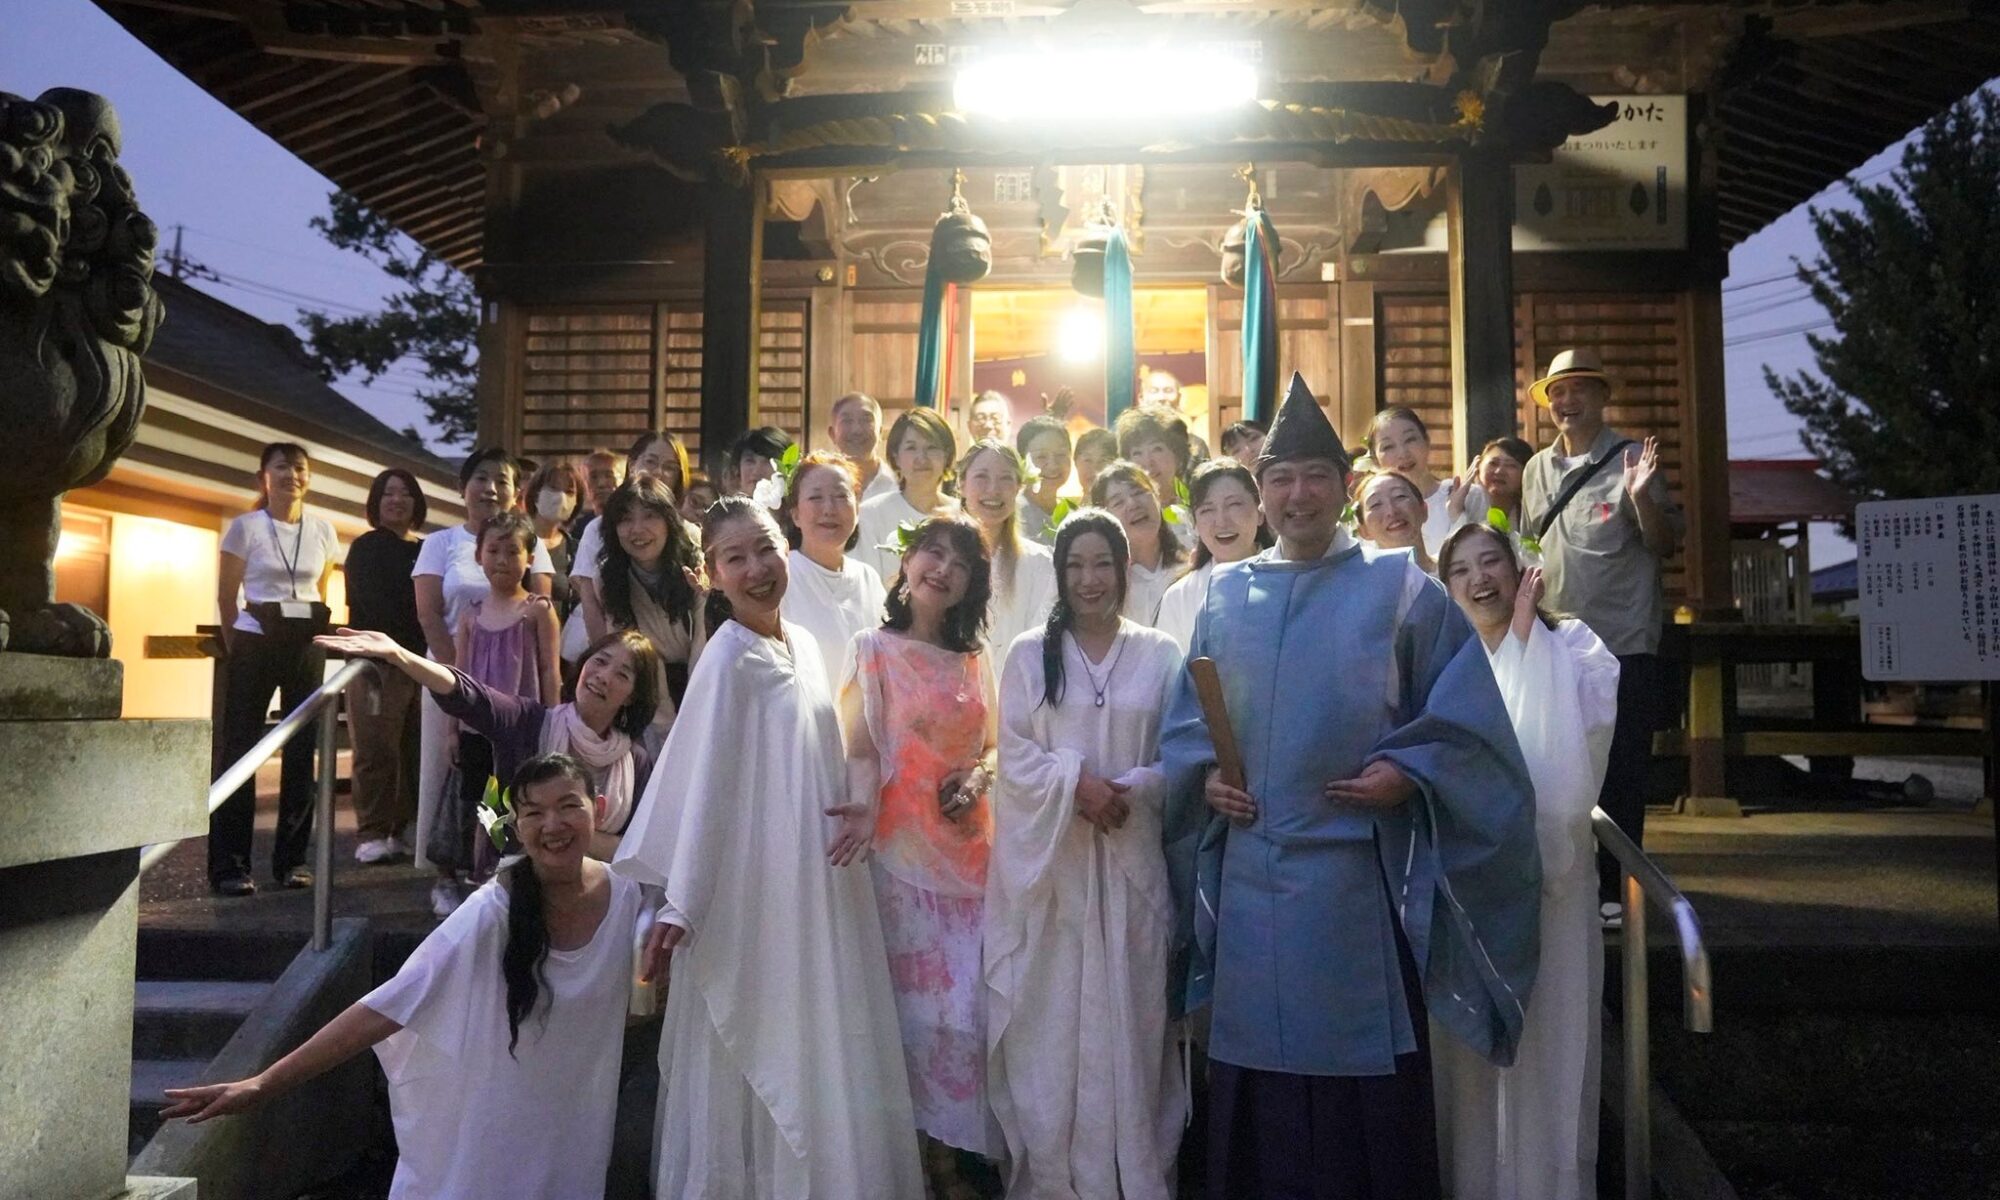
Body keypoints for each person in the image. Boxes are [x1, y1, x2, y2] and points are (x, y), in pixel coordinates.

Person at [1157, 374, 1541, 1200]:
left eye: (1315, 477)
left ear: (1344, 485)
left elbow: (1466, 725)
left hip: (1357, 885)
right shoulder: (1223, 595)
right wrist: (1210, 779)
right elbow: (1188, 723)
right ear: (1261, 492)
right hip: (1251, 877)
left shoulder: (1402, 588)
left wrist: (1408, 770)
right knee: (1255, 1074)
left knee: (1360, 1079)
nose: (1297, 495)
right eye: (1280, 479)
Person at [615, 498, 926, 1200]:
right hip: (759, 893)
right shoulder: (726, 659)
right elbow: (706, 788)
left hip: (822, 883)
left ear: (786, 548)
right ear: (710, 573)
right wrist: (683, 904)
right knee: (768, 1042)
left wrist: (859, 801)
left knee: (822, 1035)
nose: (755, 569)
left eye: (764, 549)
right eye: (735, 558)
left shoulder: (807, 645)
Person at [164, 753, 651, 1200]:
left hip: (574, 1146)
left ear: (598, 809)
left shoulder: (632, 899)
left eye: (568, 806)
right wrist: (264, 1083)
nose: (553, 826)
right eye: (534, 813)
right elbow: (389, 1005)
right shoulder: (492, 912)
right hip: (488, 1151)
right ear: (516, 827)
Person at [985, 509, 1186, 1200]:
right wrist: (1076, 787)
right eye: (1074, 565)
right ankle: (1055, 1178)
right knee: (1050, 1027)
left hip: (1132, 865)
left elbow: (1183, 752)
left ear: (1125, 570)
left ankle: (1135, 1175)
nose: (1088, 579)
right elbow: (1013, 755)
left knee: (1135, 1024)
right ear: (1059, 573)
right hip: (1054, 874)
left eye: (1102, 564)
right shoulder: (1025, 656)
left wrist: (1133, 787)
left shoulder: (1160, 653)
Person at [1434, 523, 1618, 1200]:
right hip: (1465, 887)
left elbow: (1571, 766)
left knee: (1552, 1038)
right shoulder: (1443, 659)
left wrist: (1523, 643)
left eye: (1491, 561)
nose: (1479, 578)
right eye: (1461, 570)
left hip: (1551, 886)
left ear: (1519, 570)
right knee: (1470, 1061)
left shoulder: (1574, 646)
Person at [841, 514, 1004, 1188]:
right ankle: (922, 1168)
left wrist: (978, 778)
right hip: (900, 860)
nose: (943, 569)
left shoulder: (975, 658)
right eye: (932, 553)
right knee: (914, 1020)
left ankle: (960, 1155)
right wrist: (859, 809)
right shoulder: (871, 648)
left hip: (972, 860)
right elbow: (859, 747)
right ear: (906, 563)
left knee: (969, 1016)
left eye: (960, 563)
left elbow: (993, 745)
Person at [1520, 348, 1684, 923]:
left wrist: (1640, 498)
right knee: (1560, 767)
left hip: (1623, 642)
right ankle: (1568, 886)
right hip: (1557, 640)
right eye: (1557, 392)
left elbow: (1665, 545)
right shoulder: (1535, 469)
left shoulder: (1634, 458)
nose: (1567, 401)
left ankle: (1617, 893)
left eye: (1579, 389)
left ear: (1602, 397)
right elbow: (1528, 548)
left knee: (1622, 771)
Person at [319, 626, 660, 863]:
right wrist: (399, 656)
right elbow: (467, 693)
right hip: (515, 881)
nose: (603, 676)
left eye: (622, 674)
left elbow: (639, 851)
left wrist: (562, 833)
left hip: (600, 895)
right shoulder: (529, 722)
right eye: (600, 661)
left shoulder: (637, 763)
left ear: (633, 696)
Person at [412, 448, 556, 879]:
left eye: (502, 480)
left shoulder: (534, 594)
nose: (490, 488)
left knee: (510, 796)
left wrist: (552, 718)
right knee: (455, 787)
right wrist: (459, 692)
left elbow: (547, 659)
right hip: (455, 684)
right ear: (463, 487)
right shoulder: (441, 544)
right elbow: (428, 614)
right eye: (480, 477)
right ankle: (452, 875)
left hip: (519, 702)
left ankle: (505, 873)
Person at [209, 442, 341, 896]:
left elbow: (319, 590)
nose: (292, 475)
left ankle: (292, 861)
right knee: (240, 748)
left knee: (303, 750)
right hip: (254, 640)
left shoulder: (323, 529)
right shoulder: (245, 527)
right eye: (282, 467)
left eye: (300, 468)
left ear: (309, 477)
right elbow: (226, 597)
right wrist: (238, 647)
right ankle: (229, 866)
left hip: (304, 643)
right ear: (263, 477)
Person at [344, 469, 429, 865]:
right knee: (376, 749)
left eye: (405, 493)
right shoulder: (365, 547)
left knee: (417, 750)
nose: (397, 500)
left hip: (422, 663)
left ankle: (407, 826)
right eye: (388, 493)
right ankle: (373, 831)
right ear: (376, 502)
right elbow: (372, 602)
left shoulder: (427, 549)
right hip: (376, 664)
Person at [588, 476, 706, 756]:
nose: (637, 530)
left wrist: (696, 707)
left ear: (669, 521)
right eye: (626, 519)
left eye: (650, 516)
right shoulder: (608, 578)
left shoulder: (696, 564)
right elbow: (635, 652)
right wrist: (667, 728)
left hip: (702, 676)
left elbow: (703, 636)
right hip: (649, 688)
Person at [779, 451, 887, 690]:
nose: (829, 509)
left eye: (840, 496)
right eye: (815, 498)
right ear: (795, 514)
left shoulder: (868, 578)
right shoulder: (781, 575)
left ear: (857, 509)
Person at [572, 431, 692, 640]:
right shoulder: (598, 528)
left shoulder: (690, 532)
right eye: (651, 462)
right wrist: (605, 650)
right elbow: (590, 599)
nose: (659, 472)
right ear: (633, 464)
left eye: (670, 467)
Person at [1155, 458, 1271, 653]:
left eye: (1234, 504)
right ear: (1194, 522)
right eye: (1207, 510)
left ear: (1260, 511)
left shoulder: (1288, 577)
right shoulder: (1179, 597)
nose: (1221, 521)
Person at [959, 440, 1058, 655]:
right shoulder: (940, 561)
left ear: (1018, 487)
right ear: (962, 484)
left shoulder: (1040, 563)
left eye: (1005, 479)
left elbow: (1040, 642)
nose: (993, 490)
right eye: (982, 477)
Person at [857, 406, 961, 584]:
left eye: (932, 448)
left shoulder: (963, 515)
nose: (922, 458)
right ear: (896, 457)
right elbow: (866, 584)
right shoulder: (871, 513)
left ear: (947, 455)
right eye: (911, 448)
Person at [1367, 406, 1479, 560]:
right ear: (1375, 460)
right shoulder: (1373, 514)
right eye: (1388, 447)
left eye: (1410, 440)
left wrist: (1457, 513)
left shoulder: (1469, 495)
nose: (1402, 453)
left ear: (1427, 441)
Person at [1091, 459, 1186, 626]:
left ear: (1157, 497)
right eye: (1118, 502)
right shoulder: (1103, 587)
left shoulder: (1192, 567)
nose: (1133, 504)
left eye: (1139, 492)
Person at [1116, 404, 1195, 520]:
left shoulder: (1197, 507)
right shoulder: (1124, 516)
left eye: (1156, 449)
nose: (1148, 462)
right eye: (1137, 453)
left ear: (1178, 455)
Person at [1354, 468, 1439, 575]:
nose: (1392, 511)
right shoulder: (1363, 584)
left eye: (1400, 496)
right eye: (1375, 504)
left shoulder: (1450, 571)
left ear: (1424, 510)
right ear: (1363, 530)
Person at [1015, 414, 1074, 546]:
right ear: (1021, 461)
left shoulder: (1073, 514)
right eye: (1041, 457)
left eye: (1061, 455)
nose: (1053, 465)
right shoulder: (1011, 514)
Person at [830, 391, 899, 501]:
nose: (856, 430)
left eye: (866, 420)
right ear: (832, 434)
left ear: (880, 432)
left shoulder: (898, 486)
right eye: (847, 421)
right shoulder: (818, 484)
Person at [1473, 436, 1534, 533]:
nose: (1499, 471)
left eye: (1511, 465)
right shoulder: (1463, 503)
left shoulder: (1531, 514)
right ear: (1478, 467)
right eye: (1493, 463)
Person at [730, 424, 795, 502]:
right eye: (749, 460)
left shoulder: (800, 508)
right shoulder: (727, 508)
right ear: (737, 470)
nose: (757, 471)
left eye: (768, 461)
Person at [1072, 427, 1119, 501]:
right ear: (1075, 463)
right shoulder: (1065, 507)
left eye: (1103, 460)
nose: (1095, 469)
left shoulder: (1127, 506)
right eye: (1087, 460)